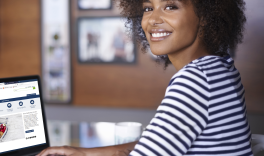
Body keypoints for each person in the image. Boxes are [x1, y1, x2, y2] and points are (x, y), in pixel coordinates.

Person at [37, 0, 251, 155]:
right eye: (148, 8)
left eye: (170, 6)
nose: (153, 19)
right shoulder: (220, 68)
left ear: (205, 17)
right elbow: (159, 142)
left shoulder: (195, 81)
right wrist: (84, 153)